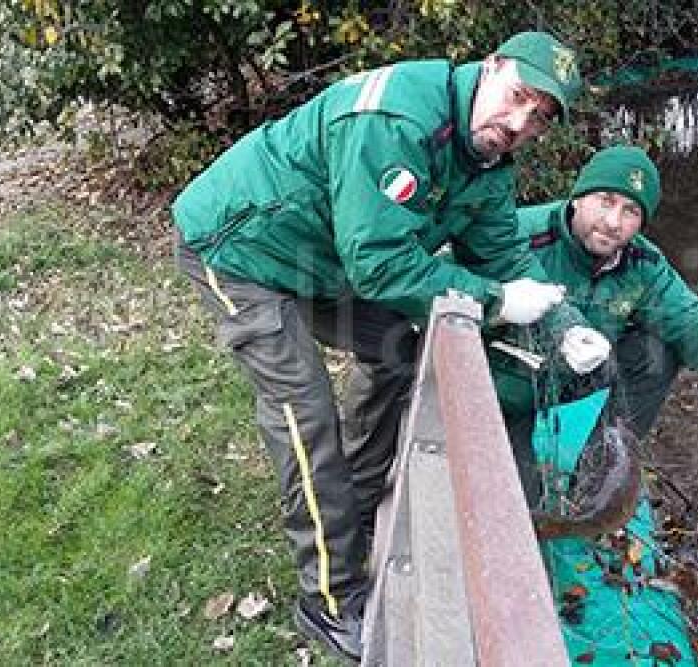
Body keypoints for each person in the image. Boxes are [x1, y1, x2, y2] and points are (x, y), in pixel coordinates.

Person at [171, 31, 611, 662]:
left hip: (322, 260)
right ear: (487, 68)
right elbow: (380, 266)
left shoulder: (487, 162)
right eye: (516, 96)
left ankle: (356, 489)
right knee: (306, 414)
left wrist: (565, 322)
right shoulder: (397, 120)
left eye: (538, 118)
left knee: (402, 348)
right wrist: (493, 303)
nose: (518, 123)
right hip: (238, 248)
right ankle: (329, 599)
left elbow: (504, 255)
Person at [487, 145, 698, 500]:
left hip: (574, 377)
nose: (613, 222)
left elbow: (693, 334)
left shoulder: (643, 263)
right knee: (515, 502)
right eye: (605, 201)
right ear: (577, 198)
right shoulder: (517, 234)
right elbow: (448, 295)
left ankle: (602, 468)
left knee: (660, 350)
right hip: (503, 386)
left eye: (631, 211)